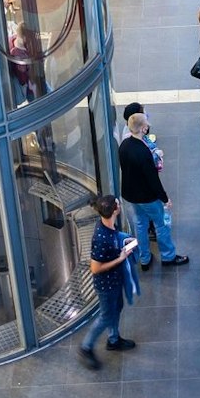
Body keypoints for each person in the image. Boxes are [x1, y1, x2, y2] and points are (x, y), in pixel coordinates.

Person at [118, 112, 187, 270]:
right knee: (161, 224)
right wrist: (164, 198)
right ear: (142, 129)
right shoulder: (143, 152)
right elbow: (153, 180)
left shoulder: (124, 145)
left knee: (140, 225)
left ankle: (145, 258)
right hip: (147, 196)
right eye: (146, 124)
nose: (148, 126)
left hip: (130, 194)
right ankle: (168, 256)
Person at [79, 195, 138, 369]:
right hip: (106, 285)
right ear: (114, 210)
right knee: (106, 316)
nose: (120, 205)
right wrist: (120, 258)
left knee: (117, 308)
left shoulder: (109, 226)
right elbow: (95, 268)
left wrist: (124, 242)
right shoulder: (101, 238)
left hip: (114, 280)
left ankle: (114, 339)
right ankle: (86, 347)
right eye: (118, 204)